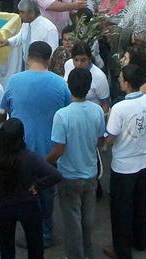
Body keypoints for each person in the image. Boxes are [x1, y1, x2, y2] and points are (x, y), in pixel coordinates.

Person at [1, 41, 70, 246]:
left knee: (22, 193)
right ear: (49, 59)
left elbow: (6, 109)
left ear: (27, 57)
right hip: (49, 151)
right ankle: (45, 233)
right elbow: (66, 111)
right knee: (46, 192)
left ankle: (31, 233)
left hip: (21, 151)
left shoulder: (14, 81)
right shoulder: (60, 84)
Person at [104, 63, 146, 259]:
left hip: (123, 165)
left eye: (121, 78)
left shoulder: (120, 107)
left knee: (121, 209)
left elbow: (110, 137)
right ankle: (140, 240)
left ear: (127, 83)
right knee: (140, 203)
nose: (119, 81)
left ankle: (122, 250)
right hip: (145, 160)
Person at [47, 66, 107, 259]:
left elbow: (58, 149)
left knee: (72, 221)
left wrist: (44, 163)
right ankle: (87, 252)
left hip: (68, 175)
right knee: (87, 219)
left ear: (69, 87)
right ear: (88, 88)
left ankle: (76, 256)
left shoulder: (62, 115)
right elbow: (100, 140)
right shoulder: (97, 110)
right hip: (90, 173)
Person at [0, 118, 62, 259]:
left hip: (4, 205)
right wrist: (38, 185)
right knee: (35, 245)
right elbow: (55, 175)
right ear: (22, 136)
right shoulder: (29, 157)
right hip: (28, 204)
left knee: (6, 246)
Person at [0, 0, 59, 69]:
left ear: (31, 13)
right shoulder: (26, 24)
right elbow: (21, 37)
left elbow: (53, 54)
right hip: (27, 65)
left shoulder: (48, 29)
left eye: (22, 12)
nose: (19, 15)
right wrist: (8, 42)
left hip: (41, 68)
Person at [61, 40, 111, 111]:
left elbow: (105, 104)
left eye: (83, 60)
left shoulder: (100, 77)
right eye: (76, 60)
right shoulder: (68, 64)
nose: (79, 64)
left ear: (89, 59)